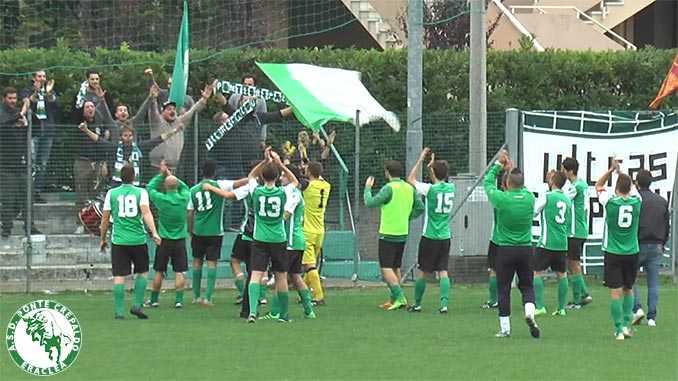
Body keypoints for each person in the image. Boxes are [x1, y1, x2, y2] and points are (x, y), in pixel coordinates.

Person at [78, 86, 184, 187]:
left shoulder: (134, 129)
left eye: (125, 110)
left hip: (134, 177)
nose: (123, 112)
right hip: (117, 172)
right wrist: (101, 100)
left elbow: (158, 137)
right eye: (120, 110)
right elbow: (99, 138)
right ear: (116, 114)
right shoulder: (113, 126)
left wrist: (150, 98)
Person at [483, 150, 540, 339]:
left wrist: (499, 165)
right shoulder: (529, 198)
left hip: (505, 249)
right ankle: (530, 314)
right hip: (525, 248)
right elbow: (519, 184)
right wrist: (511, 168)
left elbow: (487, 183)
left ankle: (505, 329)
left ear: (507, 184)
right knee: (527, 286)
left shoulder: (502, 199)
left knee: (504, 288)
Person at [100, 164, 162, 320]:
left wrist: (102, 239)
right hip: (138, 239)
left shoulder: (111, 193)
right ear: (134, 177)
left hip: (119, 241)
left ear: (120, 177)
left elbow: (105, 218)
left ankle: (119, 312)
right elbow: (146, 212)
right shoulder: (141, 192)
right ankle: (137, 304)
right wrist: (154, 232)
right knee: (143, 272)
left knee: (119, 276)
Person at [244, 150, 299, 323]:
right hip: (278, 238)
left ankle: (252, 312)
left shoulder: (258, 192)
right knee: (281, 276)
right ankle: (283, 315)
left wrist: (264, 161)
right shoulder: (282, 193)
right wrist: (280, 163)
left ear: (263, 176)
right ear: (277, 177)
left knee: (256, 275)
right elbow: (295, 181)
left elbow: (250, 176)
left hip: (260, 238)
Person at [187, 160, 249, 307]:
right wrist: (252, 178)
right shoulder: (220, 185)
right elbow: (238, 183)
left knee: (197, 262)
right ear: (215, 172)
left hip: (198, 231)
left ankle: (196, 296)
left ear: (201, 172)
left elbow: (190, 214)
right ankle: (208, 298)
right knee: (212, 263)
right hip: (215, 231)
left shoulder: (193, 190)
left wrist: (190, 231)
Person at [364, 160, 424, 310]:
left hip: (388, 233)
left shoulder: (388, 188)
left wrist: (367, 189)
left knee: (385, 267)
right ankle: (394, 298)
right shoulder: (408, 188)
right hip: (402, 232)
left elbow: (370, 202)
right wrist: (407, 216)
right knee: (395, 266)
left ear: (387, 173)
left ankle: (400, 297)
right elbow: (420, 207)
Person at [259, 165, 317, 320]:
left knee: (281, 277)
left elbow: (286, 215)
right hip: (297, 241)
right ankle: (308, 310)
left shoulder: (294, 195)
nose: (281, 178)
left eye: (284, 175)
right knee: (296, 276)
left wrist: (268, 222)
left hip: (290, 242)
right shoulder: (293, 193)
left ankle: (275, 312)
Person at [595, 159, 642, 340]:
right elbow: (632, 188)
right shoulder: (637, 202)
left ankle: (618, 328)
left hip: (613, 252)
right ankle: (626, 326)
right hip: (632, 252)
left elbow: (598, 185)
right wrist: (621, 172)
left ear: (616, 187)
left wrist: (611, 169)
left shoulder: (610, 202)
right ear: (630, 187)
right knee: (628, 288)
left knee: (615, 291)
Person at [406, 148, 455, 313]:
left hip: (430, 237)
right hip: (445, 236)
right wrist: (431, 167)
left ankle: (418, 304)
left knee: (423, 271)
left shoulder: (430, 190)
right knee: (443, 271)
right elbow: (438, 180)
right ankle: (444, 304)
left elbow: (411, 179)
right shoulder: (451, 189)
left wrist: (420, 159)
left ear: (434, 173)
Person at [144, 162, 190, 308]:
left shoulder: (161, 200)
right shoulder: (184, 198)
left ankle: (154, 299)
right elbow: (185, 187)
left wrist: (161, 175)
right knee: (179, 270)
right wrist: (170, 175)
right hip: (180, 239)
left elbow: (150, 187)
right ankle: (178, 300)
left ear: (165, 186)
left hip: (164, 239)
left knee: (159, 270)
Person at [630, 169, 669, 327]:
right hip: (657, 244)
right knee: (653, 283)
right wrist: (663, 242)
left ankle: (637, 308)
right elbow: (667, 225)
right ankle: (652, 317)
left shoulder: (636, 200)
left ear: (637, 183)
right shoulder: (661, 201)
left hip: (638, 243)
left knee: (629, 278)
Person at [0, 87, 40, 238]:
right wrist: (20, 114)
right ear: (4, 98)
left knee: (27, 199)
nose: (12, 101)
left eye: (14, 98)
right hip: (7, 166)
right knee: (7, 199)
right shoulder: (2, 114)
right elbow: (4, 125)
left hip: (24, 165)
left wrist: (28, 109)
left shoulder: (21, 114)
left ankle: (30, 226)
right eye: (9, 98)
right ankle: (6, 228)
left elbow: (37, 125)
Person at [147, 82, 213, 171]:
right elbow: (152, 110)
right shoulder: (157, 121)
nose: (172, 111)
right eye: (169, 109)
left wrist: (204, 98)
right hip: (157, 167)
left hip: (175, 168)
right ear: (162, 112)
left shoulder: (179, 121)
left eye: (174, 109)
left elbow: (193, 110)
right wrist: (153, 99)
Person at [532, 170, 571, 317]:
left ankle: (540, 306)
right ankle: (561, 308)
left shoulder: (547, 197)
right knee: (562, 275)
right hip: (562, 243)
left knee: (536, 272)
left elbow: (534, 212)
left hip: (547, 242)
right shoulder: (567, 200)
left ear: (553, 182)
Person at [20, 69, 59, 202]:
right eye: (39, 76)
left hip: (47, 133)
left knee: (42, 163)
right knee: (31, 163)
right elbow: (28, 102)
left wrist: (48, 93)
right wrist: (37, 92)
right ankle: (28, 192)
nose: (42, 78)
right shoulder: (27, 91)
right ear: (33, 78)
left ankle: (36, 192)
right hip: (34, 132)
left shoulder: (49, 91)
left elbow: (56, 105)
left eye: (44, 76)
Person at [561, 157, 593, 308]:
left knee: (574, 264)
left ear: (570, 171)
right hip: (580, 229)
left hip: (575, 230)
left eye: (563, 170)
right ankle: (584, 293)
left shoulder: (575, 187)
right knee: (572, 262)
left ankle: (577, 300)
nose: (562, 172)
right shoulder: (583, 185)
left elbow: (561, 197)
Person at [302, 161, 332, 306]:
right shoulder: (327, 186)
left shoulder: (307, 186)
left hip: (308, 230)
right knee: (311, 265)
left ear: (309, 173)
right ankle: (303, 292)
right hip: (320, 230)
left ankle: (319, 297)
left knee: (309, 266)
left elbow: (297, 179)